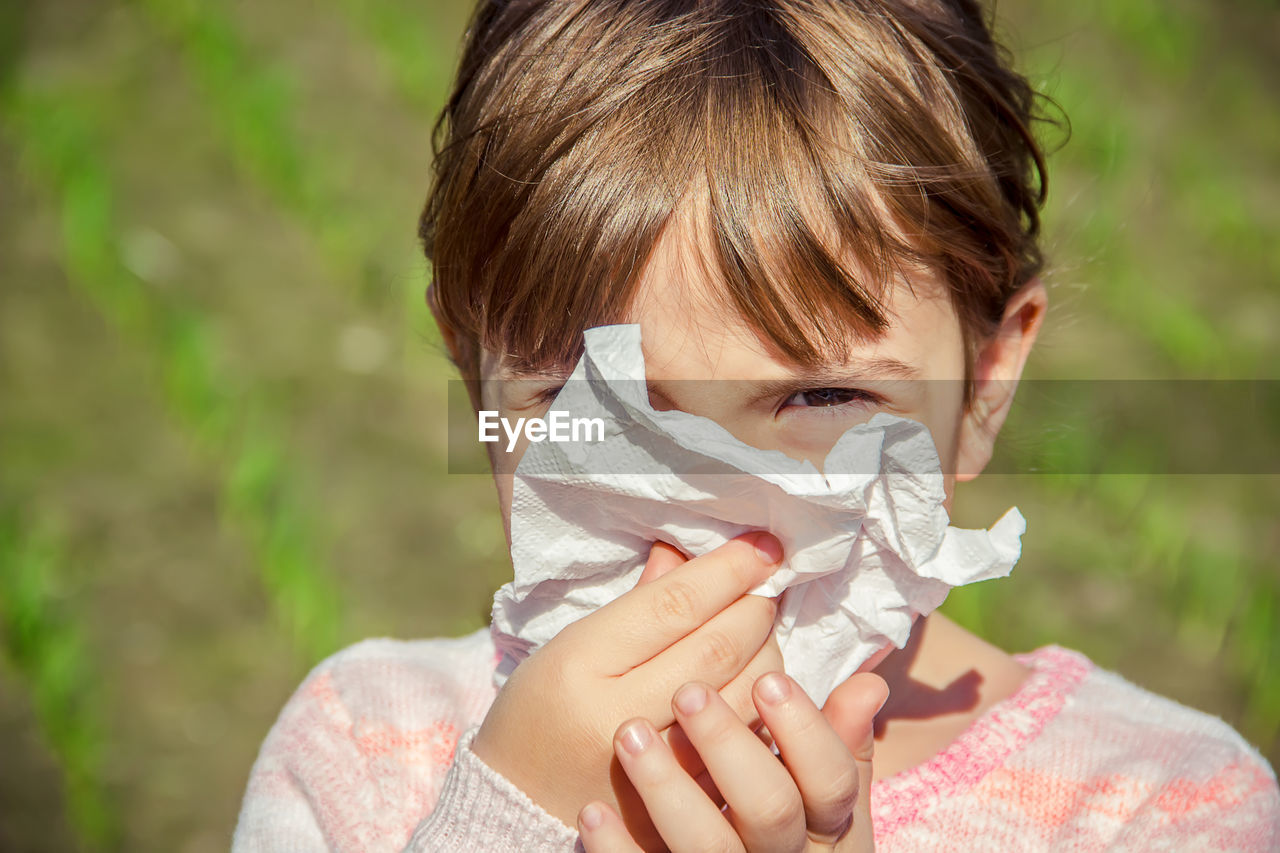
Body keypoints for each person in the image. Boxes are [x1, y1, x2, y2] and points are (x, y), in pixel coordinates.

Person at [232, 0, 1280, 850]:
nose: (707, 528)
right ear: (475, 380)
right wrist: (509, 821)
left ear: (985, 384)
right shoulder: (366, 751)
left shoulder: (1163, 809)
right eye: (593, 409)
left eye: (824, 398)